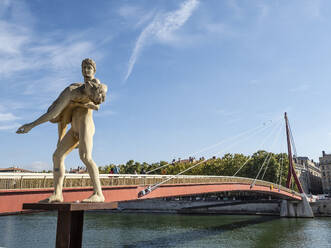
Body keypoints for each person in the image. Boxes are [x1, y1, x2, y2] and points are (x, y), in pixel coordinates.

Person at [17, 58, 107, 203]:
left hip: (86, 124)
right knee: (57, 156)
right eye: (84, 67)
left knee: (85, 157)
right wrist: (31, 125)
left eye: (89, 68)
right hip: (74, 127)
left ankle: (98, 194)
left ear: (94, 71)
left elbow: (101, 95)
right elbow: (53, 114)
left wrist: (92, 100)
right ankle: (57, 193)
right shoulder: (72, 91)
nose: (86, 70)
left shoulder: (98, 87)